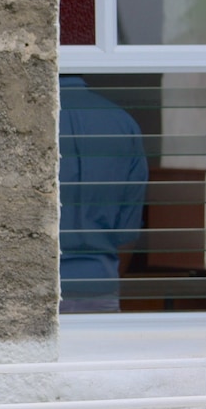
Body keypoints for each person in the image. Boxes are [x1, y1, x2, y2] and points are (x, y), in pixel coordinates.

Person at [59, 76, 149, 313]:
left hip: (34, 284)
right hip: (100, 283)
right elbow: (128, 231)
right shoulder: (122, 122)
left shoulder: (26, 119)